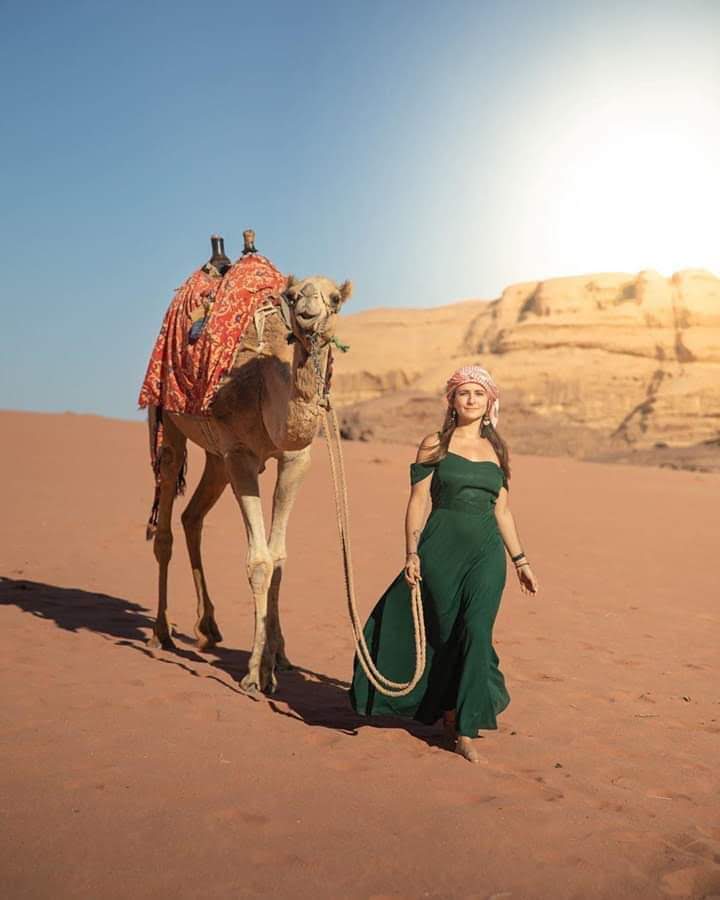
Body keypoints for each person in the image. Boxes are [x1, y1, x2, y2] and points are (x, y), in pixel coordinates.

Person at [349, 364, 539, 763]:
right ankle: (448, 709)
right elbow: (418, 501)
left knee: (476, 628)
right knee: (447, 630)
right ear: (452, 400)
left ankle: (466, 730)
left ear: (490, 403)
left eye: (479, 394)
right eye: (463, 393)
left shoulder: (498, 451)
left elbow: (503, 511)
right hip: (439, 551)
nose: (471, 399)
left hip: (487, 555)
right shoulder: (434, 443)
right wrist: (411, 552)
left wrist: (520, 560)